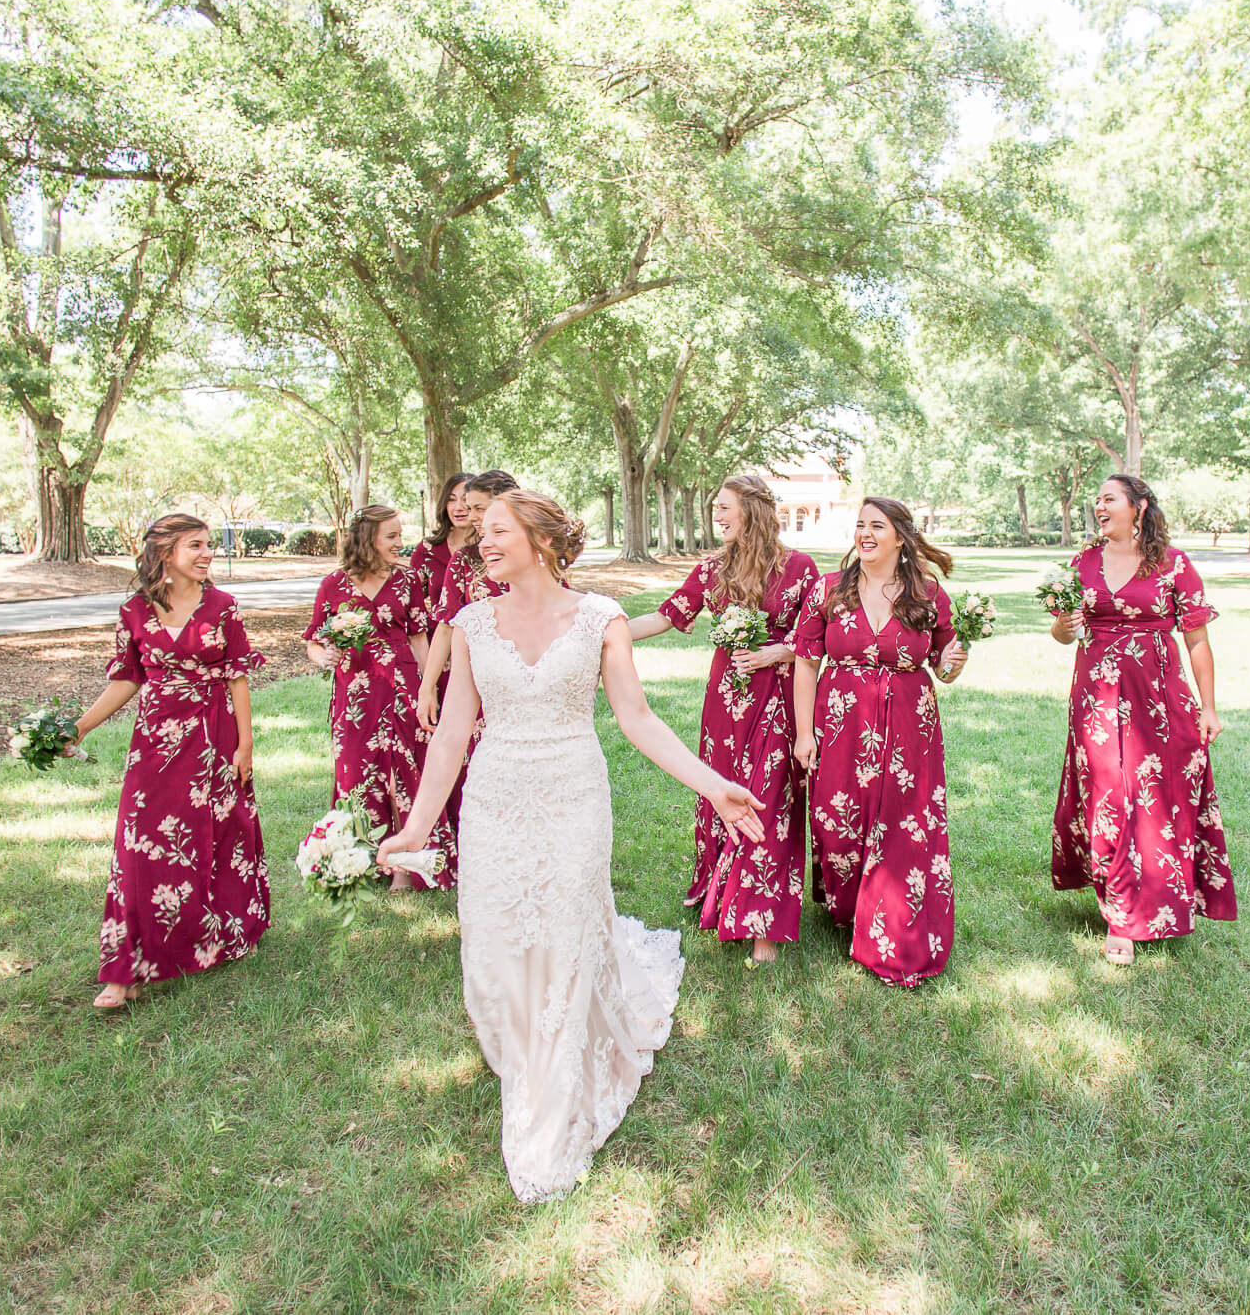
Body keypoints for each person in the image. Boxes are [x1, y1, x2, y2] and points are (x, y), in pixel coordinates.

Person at [376, 491, 764, 1202]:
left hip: (571, 796)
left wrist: (713, 785)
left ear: (541, 540)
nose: (482, 543)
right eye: (481, 533)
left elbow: (638, 720)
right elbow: (454, 732)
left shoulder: (599, 620)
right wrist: (417, 825)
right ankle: (520, 1046)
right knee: (495, 939)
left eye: (497, 532)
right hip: (494, 799)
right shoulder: (468, 624)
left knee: (561, 934)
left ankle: (550, 1099)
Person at [69, 514, 268, 1009]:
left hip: (215, 733)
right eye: (195, 546)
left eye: (208, 546)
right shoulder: (134, 610)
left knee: (221, 833)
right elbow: (126, 679)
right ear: (165, 553)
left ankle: (217, 935)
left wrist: (245, 745)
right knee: (140, 843)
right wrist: (79, 726)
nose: (207, 554)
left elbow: (237, 676)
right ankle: (124, 968)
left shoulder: (223, 606)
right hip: (156, 740)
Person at [626, 475, 818, 964]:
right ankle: (722, 893)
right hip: (724, 701)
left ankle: (763, 926)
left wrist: (775, 652)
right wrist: (603, 633)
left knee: (770, 798)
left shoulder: (799, 568)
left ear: (752, 511)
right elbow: (667, 616)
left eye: (724, 506)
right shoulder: (712, 567)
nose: (716, 513)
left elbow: (817, 638)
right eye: (715, 505)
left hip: (778, 699)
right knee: (722, 789)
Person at [1048, 474, 1233, 966]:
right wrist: (1063, 627)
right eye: (1097, 500)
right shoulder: (1081, 562)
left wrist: (1208, 706)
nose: (1099, 506)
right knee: (1110, 794)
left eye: (1109, 498)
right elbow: (1062, 633)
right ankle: (1121, 915)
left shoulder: (1173, 564)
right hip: (1096, 699)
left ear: (1139, 506)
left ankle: (1162, 896)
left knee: (1157, 799)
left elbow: (1196, 639)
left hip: (1159, 699)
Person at [791, 498, 968, 986]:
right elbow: (807, 662)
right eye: (860, 525)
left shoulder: (929, 595)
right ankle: (849, 908)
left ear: (900, 536)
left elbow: (945, 670)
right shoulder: (829, 589)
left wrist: (958, 656)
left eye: (877, 526)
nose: (865, 534)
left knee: (903, 823)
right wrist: (805, 732)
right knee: (837, 816)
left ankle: (892, 922)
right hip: (840, 720)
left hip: (909, 725)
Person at [302, 505, 453, 890]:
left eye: (400, 534)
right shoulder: (333, 585)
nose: (400, 542)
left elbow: (421, 638)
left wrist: (428, 690)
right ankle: (361, 862)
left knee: (407, 771)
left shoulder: (407, 580)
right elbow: (314, 643)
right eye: (392, 536)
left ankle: (406, 868)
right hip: (355, 695)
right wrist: (325, 656)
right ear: (367, 538)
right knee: (356, 773)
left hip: (402, 685)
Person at [417, 469, 522, 733]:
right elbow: (445, 627)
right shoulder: (464, 561)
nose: (472, 516)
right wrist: (427, 688)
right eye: (468, 507)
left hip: (527, 676)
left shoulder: (536, 555)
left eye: (478, 507)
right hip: (478, 679)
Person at [409, 472, 475, 603]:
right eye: (451, 500)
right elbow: (412, 602)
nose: (458, 508)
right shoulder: (427, 550)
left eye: (465, 499)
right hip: (439, 623)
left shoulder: (492, 548)